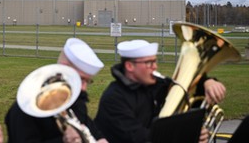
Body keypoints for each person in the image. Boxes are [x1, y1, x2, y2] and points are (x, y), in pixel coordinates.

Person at [94, 39, 226, 143]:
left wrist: (208, 82)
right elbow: (139, 137)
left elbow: (186, 90)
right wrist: (187, 134)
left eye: (155, 61)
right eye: (149, 63)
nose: (155, 67)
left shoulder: (155, 84)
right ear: (130, 66)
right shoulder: (114, 98)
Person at [5, 37, 108, 143]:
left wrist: (100, 138)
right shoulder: (26, 108)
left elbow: (88, 126)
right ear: (65, 69)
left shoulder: (76, 98)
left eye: (88, 81)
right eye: (81, 79)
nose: (84, 88)